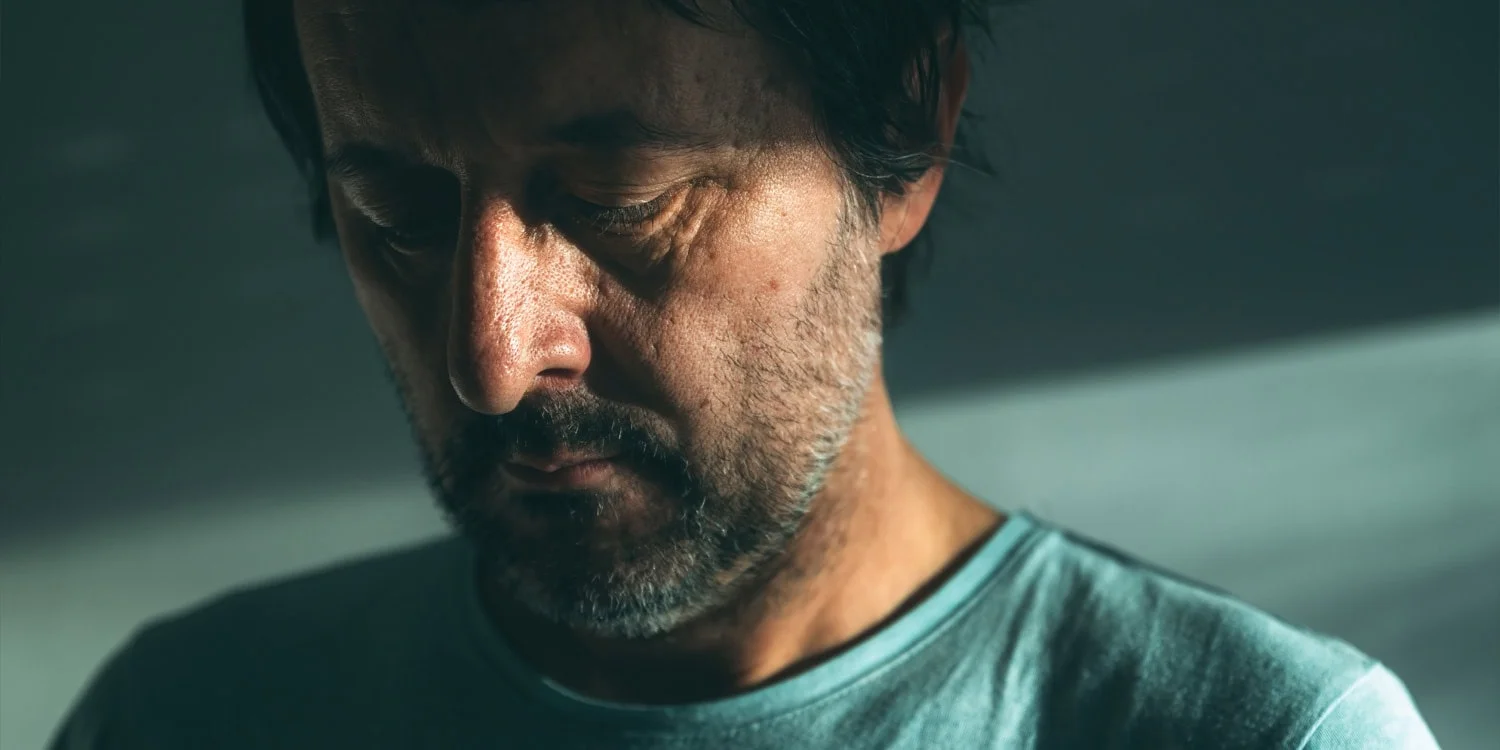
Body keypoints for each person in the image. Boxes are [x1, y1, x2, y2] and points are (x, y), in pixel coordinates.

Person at [51, 0, 1441, 747]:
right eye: (398, 216)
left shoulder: (1267, 737)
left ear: (901, 132)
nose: (493, 359)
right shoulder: (184, 719)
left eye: (620, 199)